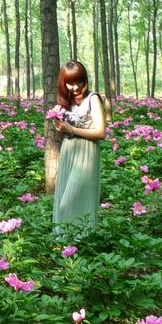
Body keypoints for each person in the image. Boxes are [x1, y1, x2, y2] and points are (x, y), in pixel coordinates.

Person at [50, 60, 108, 230]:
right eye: (70, 83)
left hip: (87, 153)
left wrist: (72, 129)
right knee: (63, 198)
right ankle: (66, 241)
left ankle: (82, 237)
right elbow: (63, 133)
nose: (74, 87)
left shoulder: (93, 98)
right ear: (63, 82)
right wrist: (59, 125)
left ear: (84, 80)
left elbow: (101, 132)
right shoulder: (66, 101)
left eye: (78, 82)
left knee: (71, 200)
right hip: (68, 151)